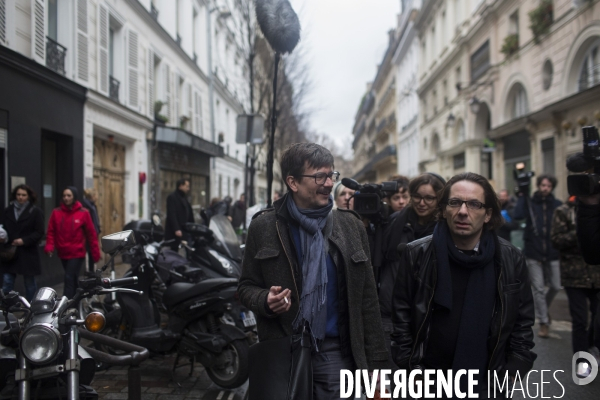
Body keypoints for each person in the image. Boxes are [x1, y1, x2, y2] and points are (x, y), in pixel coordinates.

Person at [238, 142, 389, 399]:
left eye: (331, 175)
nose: (329, 183)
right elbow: (245, 288)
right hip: (282, 352)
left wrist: (379, 370)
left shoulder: (350, 226)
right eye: (320, 176)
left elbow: (368, 303)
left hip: (336, 353)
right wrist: (265, 300)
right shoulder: (264, 227)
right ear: (293, 182)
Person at [391, 172, 536, 396]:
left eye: (474, 204)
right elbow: (401, 319)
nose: (462, 211)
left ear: (488, 214)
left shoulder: (510, 258)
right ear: (443, 209)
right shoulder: (416, 254)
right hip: (426, 381)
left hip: (487, 382)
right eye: (455, 202)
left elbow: (522, 324)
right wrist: (411, 370)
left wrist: (511, 372)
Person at [378, 173, 445, 355]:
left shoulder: (446, 229)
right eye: (417, 196)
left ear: (439, 198)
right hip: (391, 311)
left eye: (429, 198)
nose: (421, 203)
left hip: (430, 315)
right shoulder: (395, 222)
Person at [551, 195, 600, 378]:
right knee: (580, 320)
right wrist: (583, 232)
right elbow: (556, 240)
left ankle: (591, 350)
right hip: (574, 275)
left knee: (596, 319)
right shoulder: (563, 211)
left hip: (596, 274)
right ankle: (582, 362)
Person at [514, 174, 562, 338]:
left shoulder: (556, 205)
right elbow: (518, 215)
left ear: (552, 187)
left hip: (552, 251)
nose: (545, 188)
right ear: (538, 186)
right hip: (533, 251)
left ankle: (544, 310)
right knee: (539, 289)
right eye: (542, 185)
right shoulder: (530, 202)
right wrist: (522, 194)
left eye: (548, 186)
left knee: (556, 285)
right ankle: (544, 322)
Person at [44, 187, 101, 299]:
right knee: (73, 278)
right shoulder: (56, 212)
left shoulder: (83, 213)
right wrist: (50, 245)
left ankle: (66, 303)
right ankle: (77, 300)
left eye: (69, 195)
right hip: (63, 252)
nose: (66, 198)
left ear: (74, 197)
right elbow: (51, 231)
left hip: (77, 252)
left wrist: (95, 252)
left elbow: (91, 234)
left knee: (68, 277)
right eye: (64, 195)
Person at [0, 185, 44, 301]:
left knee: (29, 283)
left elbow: (39, 232)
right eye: (18, 195)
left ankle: (31, 308)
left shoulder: (35, 211)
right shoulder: (8, 211)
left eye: (23, 195)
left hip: (27, 252)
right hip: (10, 252)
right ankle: (7, 307)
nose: (20, 197)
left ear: (29, 197)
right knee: (7, 280)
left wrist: (24, 240)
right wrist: (4, 237)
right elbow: (3, 227)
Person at [165, 178, 194, 250]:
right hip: (176, 232)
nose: (188, 189)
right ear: (181, 186)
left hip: (185, 230)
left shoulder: (184, 197)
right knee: (174, 251)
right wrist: (176, 229)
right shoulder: (172, 197)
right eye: (187, 186)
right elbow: (172, 214)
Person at [81, 188, 101, 272]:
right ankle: (89, 271)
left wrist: (98, 228)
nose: (97, 197)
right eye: (96, 195)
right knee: (88, 251)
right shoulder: (86, 206)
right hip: (88, 233)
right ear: (92, 196)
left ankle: (92, 271)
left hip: (94, 232)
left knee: (92, 252)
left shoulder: (92, 205)